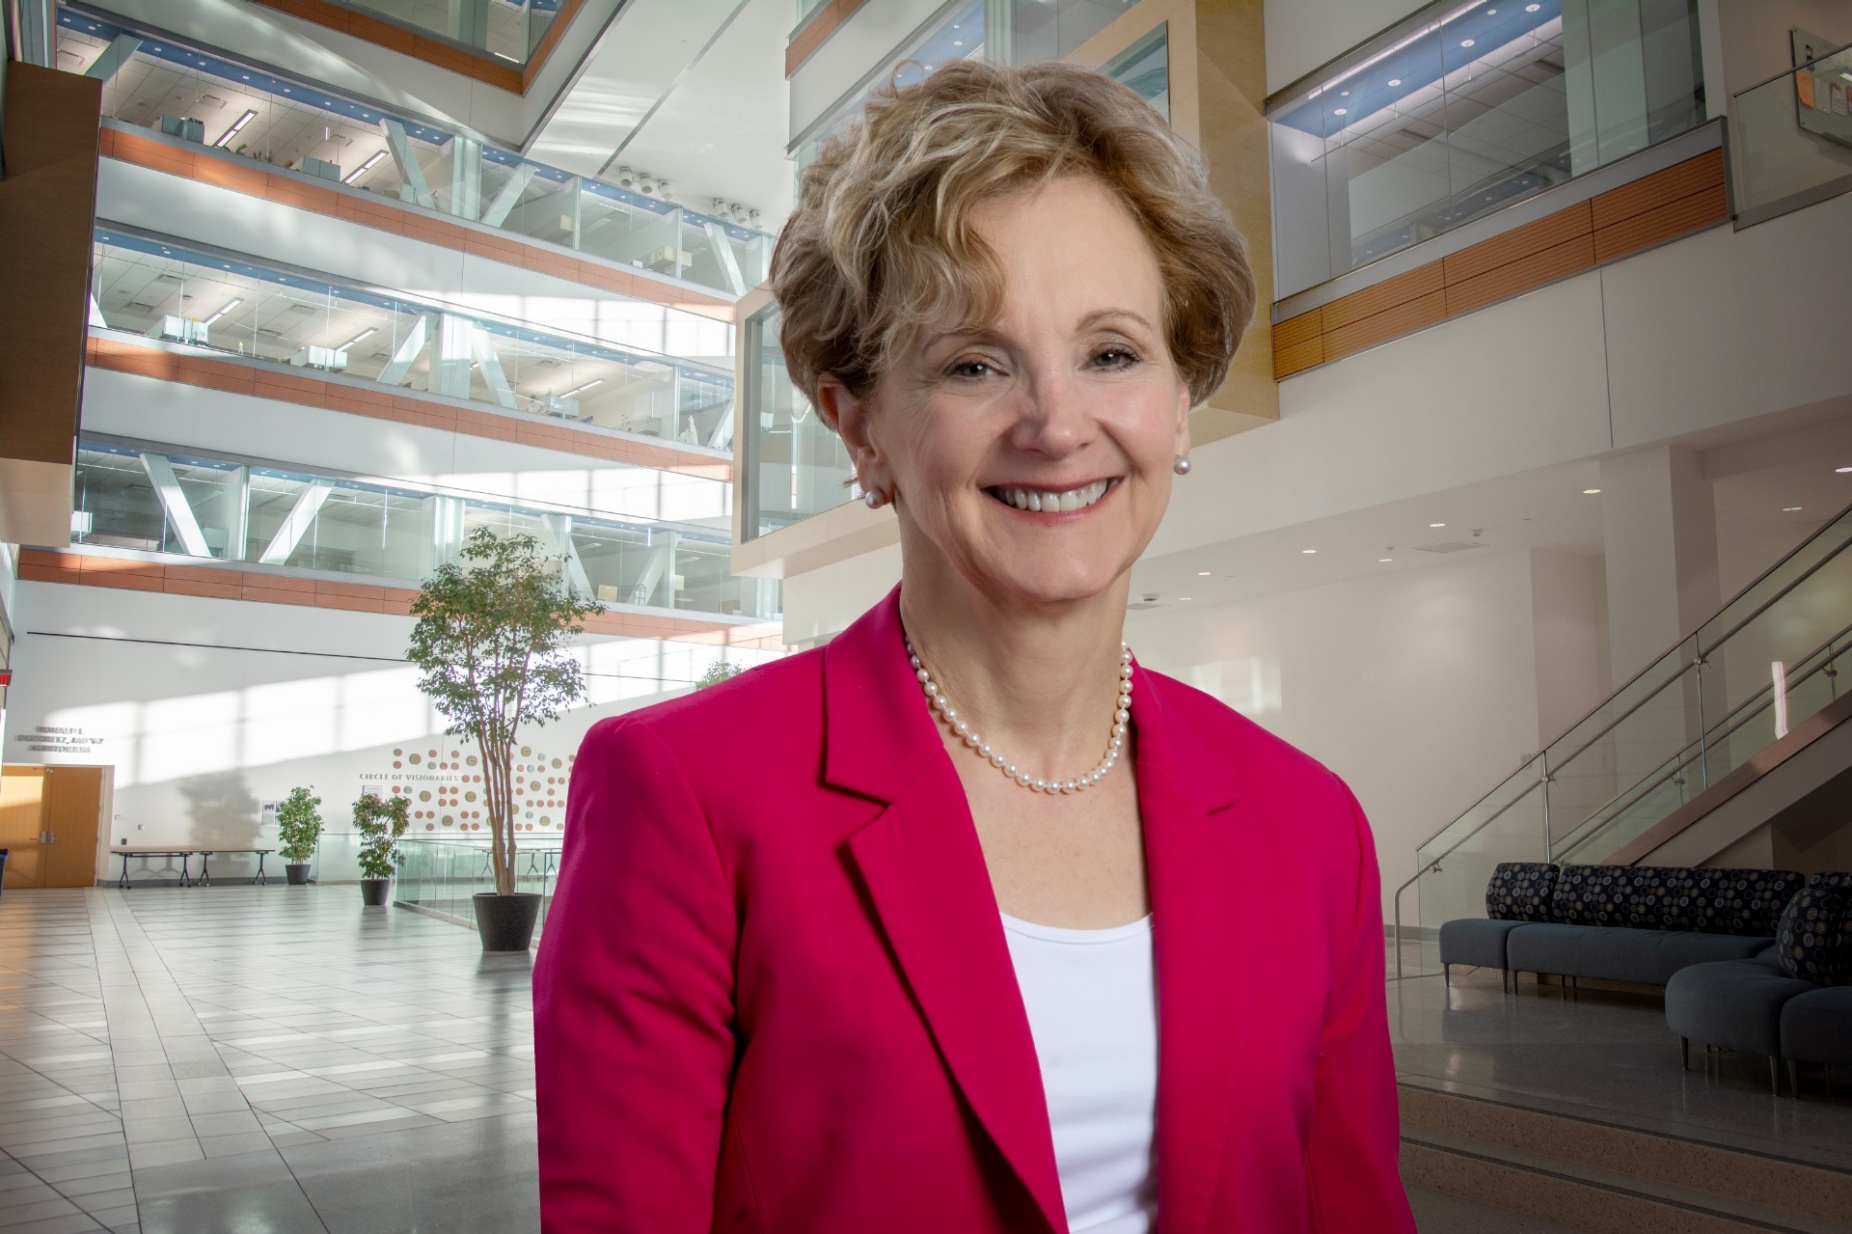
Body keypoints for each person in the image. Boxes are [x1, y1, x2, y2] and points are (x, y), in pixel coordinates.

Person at [533, 59, 1415, 1234]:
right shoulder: (684, 799)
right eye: (973, 364)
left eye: (1112, 353)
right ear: (860, 426)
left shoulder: (1310, 825)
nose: (1056, 425)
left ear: (1179, 401)